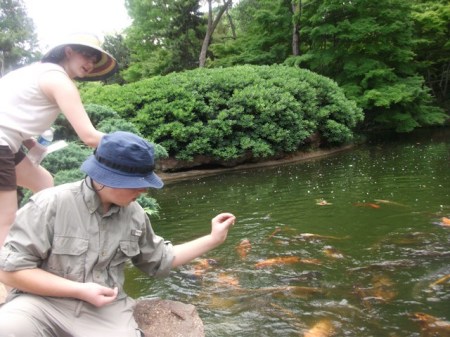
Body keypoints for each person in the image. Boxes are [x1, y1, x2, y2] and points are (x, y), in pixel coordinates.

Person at [0, 131, 236, 337]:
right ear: (105, 178)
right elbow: (10, 273)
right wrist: (80, 290)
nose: (144, 189)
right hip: (41, 304)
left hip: (104, 311)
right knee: (8, 328)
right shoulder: (50, 204)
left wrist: (213, 238)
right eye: (135, 182)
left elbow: (160, 259)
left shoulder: (135, 215)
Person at [0, 33, 118, 246]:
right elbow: (89, 136)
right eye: (87, 56)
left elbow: (12, 111)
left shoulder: (36, 71)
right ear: (68, 51)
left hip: (7, 142)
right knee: (5, 218)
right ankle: (9, 272)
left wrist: (30, 144)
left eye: (94, 60)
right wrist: (129, 145)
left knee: (44, 183)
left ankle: (34, 241)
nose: (90, 64)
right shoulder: (58, 79)